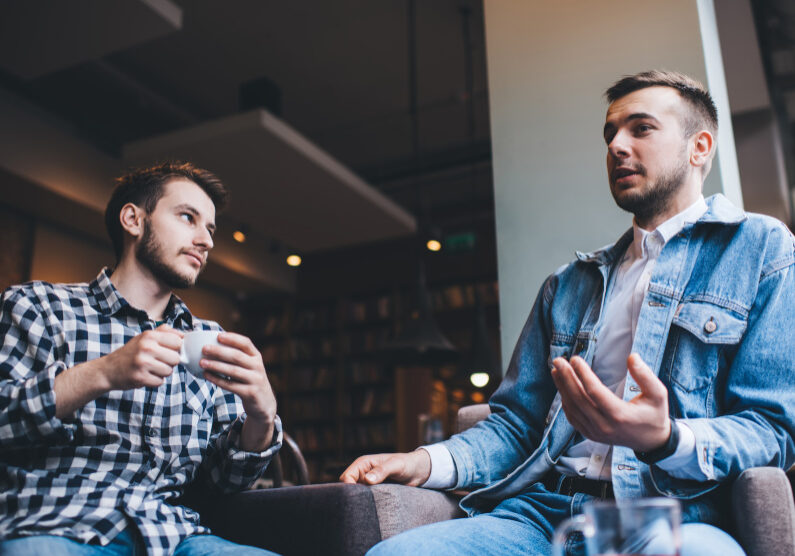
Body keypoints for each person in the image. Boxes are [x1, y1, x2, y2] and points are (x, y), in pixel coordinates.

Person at [341, 70, 795, 555]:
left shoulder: (762, 249)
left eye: (641, 128)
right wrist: (424, 461)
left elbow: (772, 428)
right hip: (543, 514)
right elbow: (516, 426)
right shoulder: (567, 285)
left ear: (699, 147)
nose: (617, 146)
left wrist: (666, 438)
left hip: (671, 515)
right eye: (610, 134)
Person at [0, 162, 282, 555]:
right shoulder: (39, 307)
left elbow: (222, 482)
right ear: (133, 219)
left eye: (210, 229)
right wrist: (103, 372)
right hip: (60, 525)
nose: (206, 241)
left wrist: (261, 418)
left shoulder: (210, 339)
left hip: (174, 537)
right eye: (188, 217)